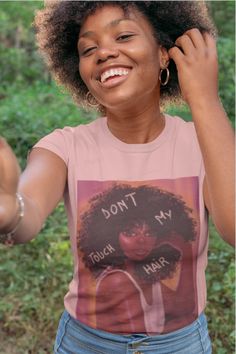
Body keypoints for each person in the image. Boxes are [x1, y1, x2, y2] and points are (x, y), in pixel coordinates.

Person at [0, 1, 234, 353]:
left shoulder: (203, 142)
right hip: (84, 343)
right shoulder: (64, 146)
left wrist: (204, 98)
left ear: (163, 54)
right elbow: (28, 208)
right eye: (88, 48)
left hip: (182, 343)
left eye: (123, 35)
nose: (104, 52)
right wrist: (10, 212)